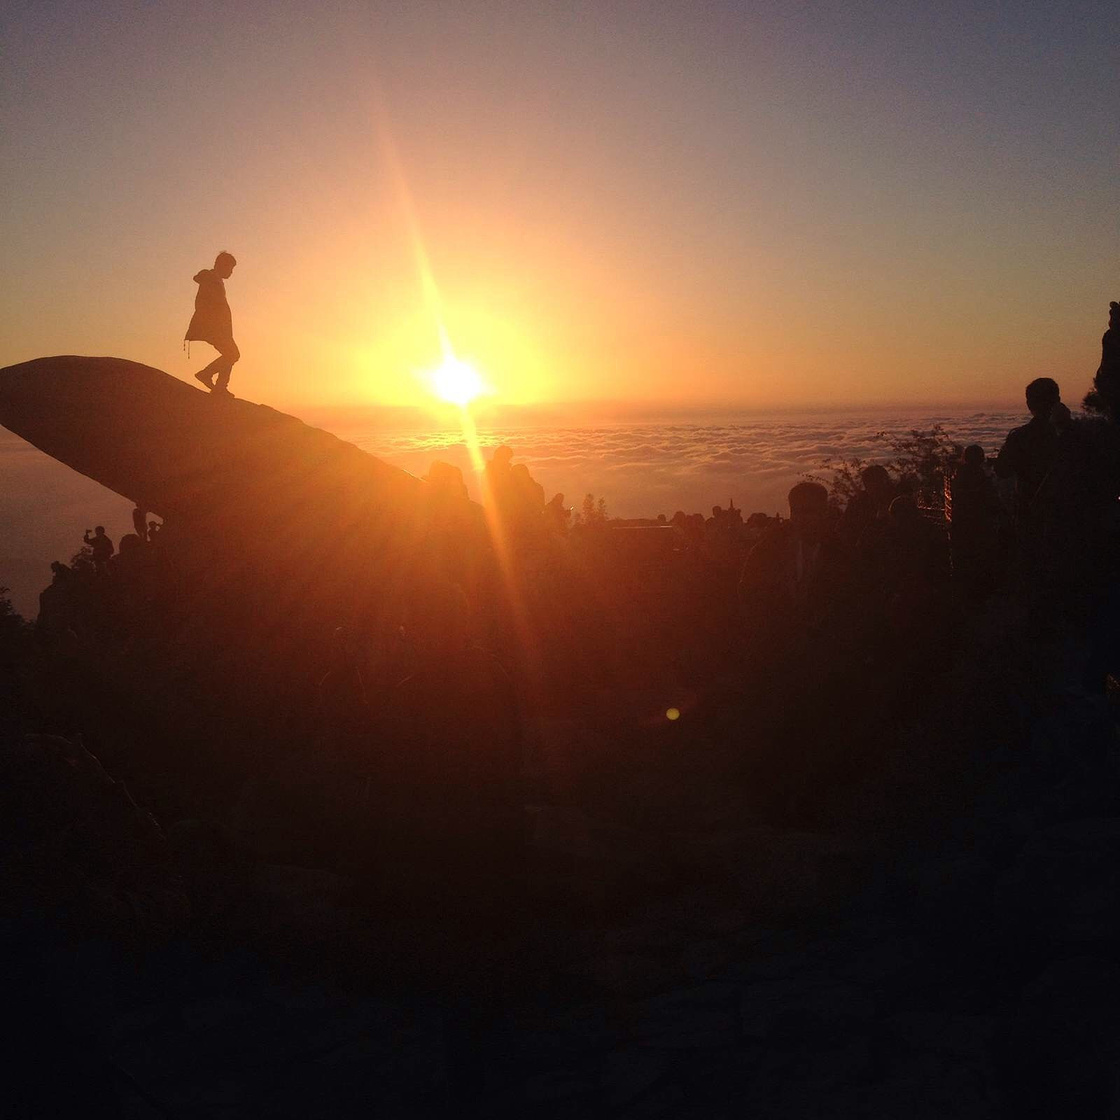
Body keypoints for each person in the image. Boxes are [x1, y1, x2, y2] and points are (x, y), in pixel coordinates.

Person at [994, 377, 1061, 523]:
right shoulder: (1076, 434)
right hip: (1069, 514)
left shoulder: (1020, 437)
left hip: (1031, 512)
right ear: (1057, 400)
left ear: (1029, 404)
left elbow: (1002, 470)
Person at [185, 251, 239, 394]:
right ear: (220, 265)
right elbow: (204, 303)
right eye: (230, 268)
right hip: (214, 328)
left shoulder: (215, 280)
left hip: (220, 328)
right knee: (232, 354)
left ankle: (219, 385)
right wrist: (212, 322)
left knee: (230, 354)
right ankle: (209, 377)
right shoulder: (210, 278)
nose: (231, 272)